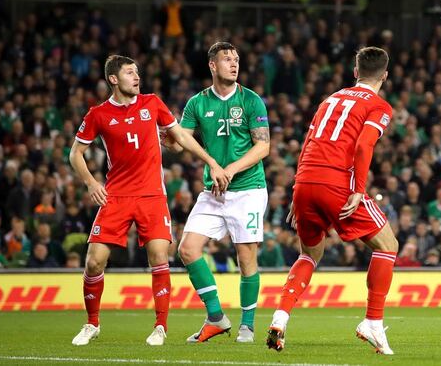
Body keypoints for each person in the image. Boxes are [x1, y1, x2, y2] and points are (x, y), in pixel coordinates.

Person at [69, 55, 229, 346]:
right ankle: (92, 324)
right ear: (114, 79)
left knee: (158, 255)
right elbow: (75, 153)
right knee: (94, 262)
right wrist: (91, 182)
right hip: (115, 195)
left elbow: (179, 136)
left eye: (138, 72)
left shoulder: (152, 103)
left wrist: (210, 161)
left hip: (152, 194)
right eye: (130, 72)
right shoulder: (98, 114)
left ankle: (160, 326)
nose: (137, 76)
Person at [266, 47, 398, 355]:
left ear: (355, 72)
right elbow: (364, 145)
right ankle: (373, 322)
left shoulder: (331, 98)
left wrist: (297, 190)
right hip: (336, 182)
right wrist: (358, 189)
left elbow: (308, 141)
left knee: (310, 254)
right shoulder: (379, 106)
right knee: (388, 245)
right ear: (385, 76)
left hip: (305, 182)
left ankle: (280, 316)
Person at [166, 42, 270, 343]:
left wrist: (231, 169)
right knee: (186, 249)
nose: (234, 64)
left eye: (236, 59)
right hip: (214, 192)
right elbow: (182, 140)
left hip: (248, 189)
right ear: (213, 65)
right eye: (227, 59)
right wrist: (169, 140)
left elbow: (263, 146)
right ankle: (216, 316)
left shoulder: (251, 100)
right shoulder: (197, 103)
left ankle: (247, 326)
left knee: (246, 257)